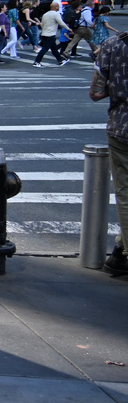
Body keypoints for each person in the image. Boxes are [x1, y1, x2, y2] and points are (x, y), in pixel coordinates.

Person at [91, 30, 128, 274]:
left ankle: (122, 252)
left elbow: (96, 92)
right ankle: (119, 252)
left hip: (123, 126)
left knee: (125, 193)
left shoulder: (114, 45)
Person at [34, 0, 72, 67]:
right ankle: (37, 61)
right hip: (50, 34)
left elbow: (42, 24)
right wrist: (68, 29)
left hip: (45, 33)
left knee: (54, 49)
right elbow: (61, 23)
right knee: (45, 49)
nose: (59, 8)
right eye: (58, 7)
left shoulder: (45, 14)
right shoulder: (56, 14)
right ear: (56, 7)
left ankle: (60, 60)